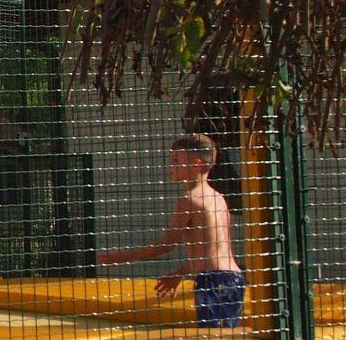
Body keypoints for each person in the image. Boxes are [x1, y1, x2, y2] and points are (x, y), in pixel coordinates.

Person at [96, 132, 245, 329]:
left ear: (196, 164)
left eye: (176, 160)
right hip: (234, 277)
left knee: (213, 336)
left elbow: (167, 245)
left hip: (212, 280)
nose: (171, 165)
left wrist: (124, 256)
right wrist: (178, 273)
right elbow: (211, 252)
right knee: (227, 335)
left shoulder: (189, 200)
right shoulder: (218, 197)